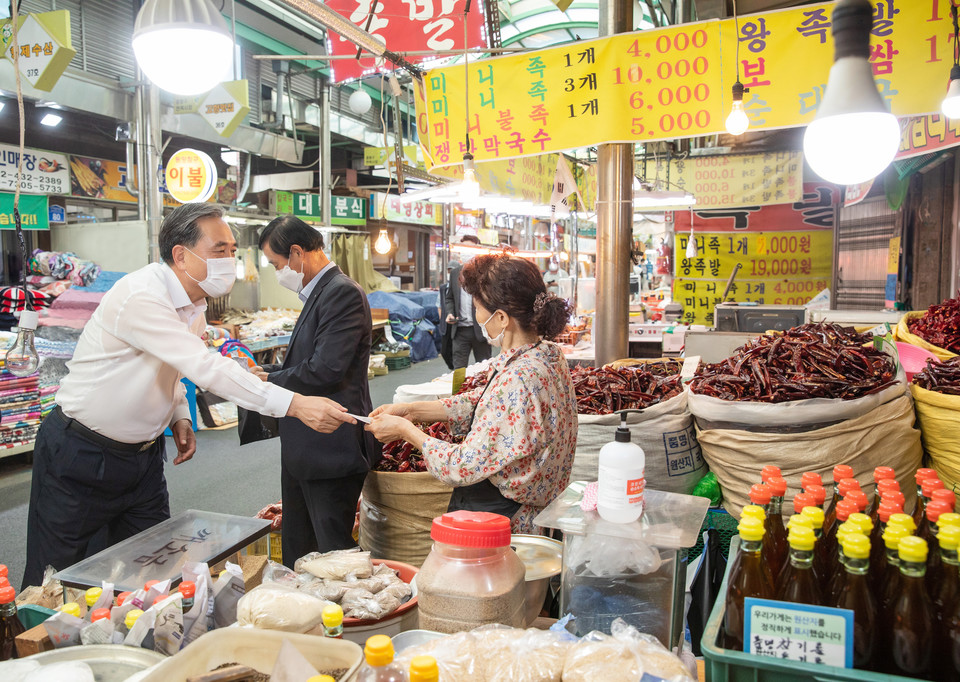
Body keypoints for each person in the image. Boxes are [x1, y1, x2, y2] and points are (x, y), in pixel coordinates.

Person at [22, 204, 354, 589]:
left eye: (233, 251)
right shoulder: (142, 296)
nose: (230, 260)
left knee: (150, 568)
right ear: (181, 255)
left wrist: (178, 412)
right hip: (80, 455)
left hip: (142, 461)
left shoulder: (193, 304)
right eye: (219, 251)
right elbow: (204, 366)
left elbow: (173, 366)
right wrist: (294, 404)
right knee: (54, 578)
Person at [367, 254, 578, 533]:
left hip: (506, 517)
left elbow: (460, 466)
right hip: (535, 503)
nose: (478, 317)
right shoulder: (547, 353)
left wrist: (408, 432)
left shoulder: (518, 378)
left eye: (478, 308)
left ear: (501, 318)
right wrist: (414, 411)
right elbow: (489, 402)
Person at [255, 216, 380, 566]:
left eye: (276, 264)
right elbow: (309, 360)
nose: (277, 272)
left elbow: (326, 368)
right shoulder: (319, 292)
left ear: (297, 253)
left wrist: (268, 382)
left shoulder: (341, 292)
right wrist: (268, 371)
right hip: (306, 447)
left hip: (330, 448)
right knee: (301, 547)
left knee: (333, 555)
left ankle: (344, 620)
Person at [445, 235, 491, 369]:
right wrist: (449, 313)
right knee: (458, 370)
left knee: (484, 368)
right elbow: (449, 297)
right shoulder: (455, 273)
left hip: (481, 329)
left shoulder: (485, 273)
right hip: (460, 330)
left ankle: (484, 391)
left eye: (469, 248)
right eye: (462, 248)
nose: (465, 252)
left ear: (478, 250)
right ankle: (458, 390)